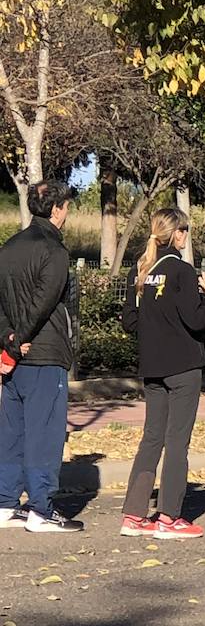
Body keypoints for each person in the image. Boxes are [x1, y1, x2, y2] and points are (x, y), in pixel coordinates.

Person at [118, 207, 205, 539]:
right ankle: (169, 517)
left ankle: (133, 515)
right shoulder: (182, 271)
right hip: (183, 367)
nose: (187, 234)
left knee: (152, 438)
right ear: (176, 234)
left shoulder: (144, 270)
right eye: (185, 229)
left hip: (153, 367)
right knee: (177, 441)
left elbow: (130, 321)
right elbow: (196, 320)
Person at [0, 180, 82, 532]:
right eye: (65, 206)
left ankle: (4, 503)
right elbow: (43, 303)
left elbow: (2, 303)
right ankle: (41, 509)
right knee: (44, 433)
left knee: (12, 432)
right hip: (42, 354)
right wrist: (21, 339)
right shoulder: (55, 251)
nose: (66, 213)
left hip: (14, 355)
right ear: (56, 209)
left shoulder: (9, 247)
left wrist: (7, 338)